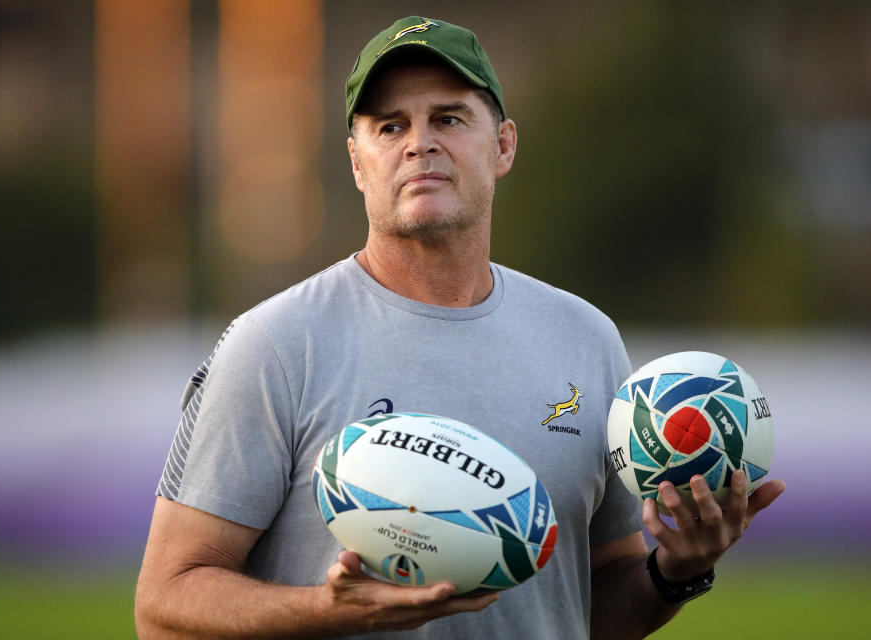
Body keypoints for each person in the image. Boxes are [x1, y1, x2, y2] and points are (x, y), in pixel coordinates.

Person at [134, 16, 785, 639]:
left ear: (502, 145)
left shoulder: (586, 338)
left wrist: (677, 571)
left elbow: (590, 606)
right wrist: (333, 611)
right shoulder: (276, 345)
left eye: (449, 117)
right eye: (390, 127)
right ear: (359, 165)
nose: (420, 141)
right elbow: (163, 609)